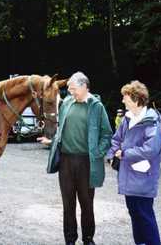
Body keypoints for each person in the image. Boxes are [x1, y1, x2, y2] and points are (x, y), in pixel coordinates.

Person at [38, 72, 112, 245]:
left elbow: (107, 135)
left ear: (84, 86)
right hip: (65, 162)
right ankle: (70, 240)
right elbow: (61, 130)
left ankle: (88, 239)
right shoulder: (67, 104)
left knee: (87, 204)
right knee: (67, 204)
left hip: (87, 162)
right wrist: (52, 141)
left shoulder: (96, 107)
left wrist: (97, 153)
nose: (70, 92)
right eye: (69, 89)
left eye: (73, 89)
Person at [106, 80, 161, 245]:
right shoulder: (127, 119)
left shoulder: (152, 122)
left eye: (125, 97)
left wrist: (125, 154)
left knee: (145, 217)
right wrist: (112, 156)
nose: (123, 101)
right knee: (135, 215)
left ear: (136, 99)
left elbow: (151, 149)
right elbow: (116, 139)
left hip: (143, 177)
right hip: (128, 176)